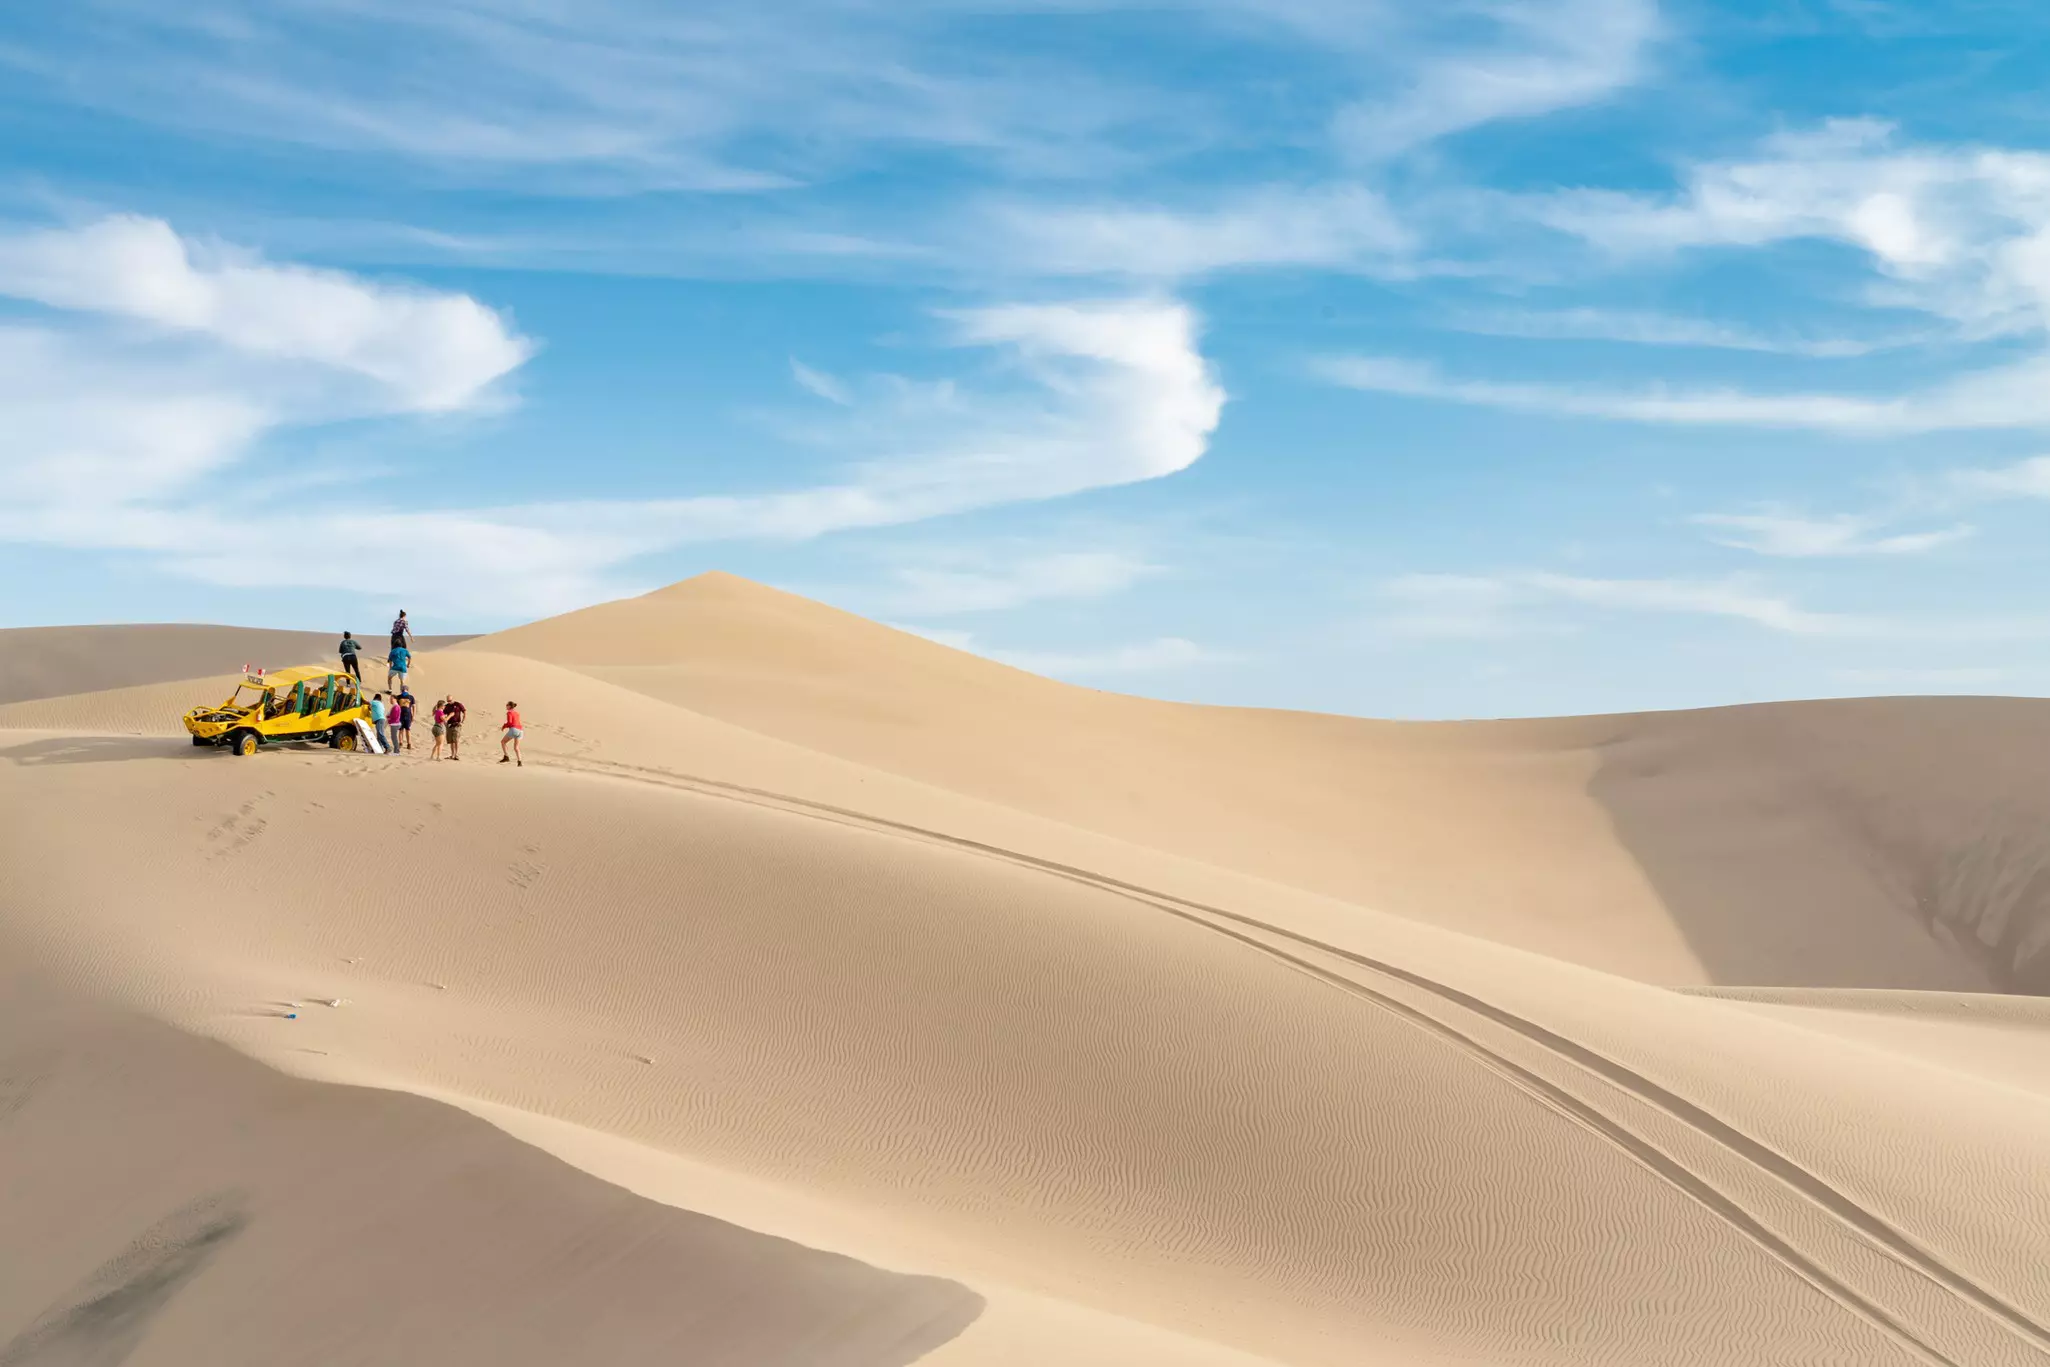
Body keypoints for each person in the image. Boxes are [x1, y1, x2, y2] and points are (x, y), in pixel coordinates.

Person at [500, 700, 523, 766]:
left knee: (503, 742)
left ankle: (506, 757)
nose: (506, 706)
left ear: (510, 706)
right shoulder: (517, 713)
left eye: (507, 705)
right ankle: (519, 762)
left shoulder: (509, 713)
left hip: (514, 730)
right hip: (520, 731)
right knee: (516, 747)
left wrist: (504, 726)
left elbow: (510, 722)